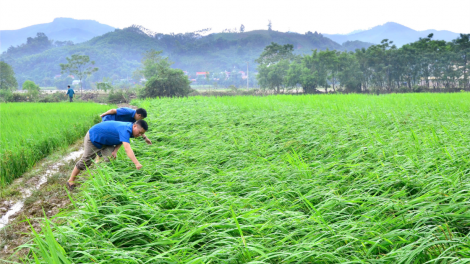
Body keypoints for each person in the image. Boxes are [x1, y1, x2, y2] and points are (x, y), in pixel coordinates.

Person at [66, 120, 148, 190]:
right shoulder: (126, 129)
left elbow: (122, 139)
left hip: (107, 141)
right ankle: (71, 180)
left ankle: (105, 179)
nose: (139, 135)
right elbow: (127, 148)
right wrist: (136, 163)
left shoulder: (132, 130)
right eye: (140, 133)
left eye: (142, 134)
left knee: (110, 159)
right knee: (86, 161)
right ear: (134, 126)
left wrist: (115, 151)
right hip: (94, 137)